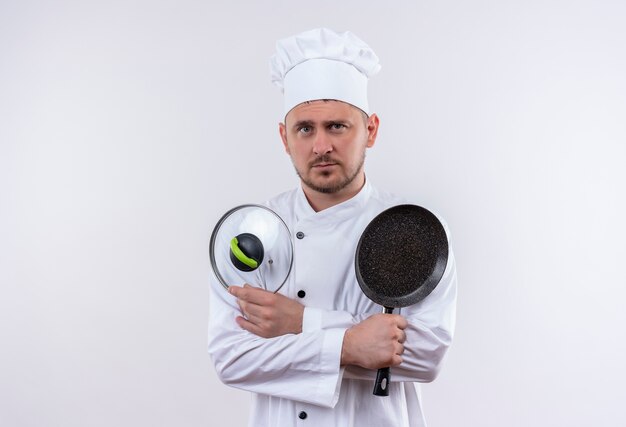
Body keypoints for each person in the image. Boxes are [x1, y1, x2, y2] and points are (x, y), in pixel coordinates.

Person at [208, 28, 457, 427]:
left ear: (370, 131)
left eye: (337, 127)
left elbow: (427, 356)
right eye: (304, 128)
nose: (320, 145)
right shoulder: (251, 232)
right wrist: (352, 345)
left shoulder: (412, 227)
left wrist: (299, 324)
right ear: (284, 138)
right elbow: (232, 359)